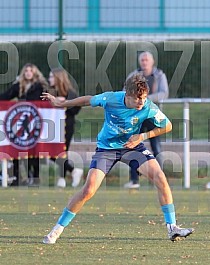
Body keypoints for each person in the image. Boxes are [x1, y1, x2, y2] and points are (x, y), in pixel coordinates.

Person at [41, 73, 194, 244]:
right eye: (138, 99)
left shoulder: (148, 106)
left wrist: (142, 136)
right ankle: (57, 230)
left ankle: (172, 227)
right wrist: (62, 103)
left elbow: (167, 126)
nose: (141, 102)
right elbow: (87, 100)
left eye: (143, 98)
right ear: (127, 95)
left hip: (133, 147)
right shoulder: (112, 98)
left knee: (160, 178)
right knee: (88, 190)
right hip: (106, 149)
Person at [123, 51, 169, 189]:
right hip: (136, 116)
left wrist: (146, 99)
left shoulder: (159, 75)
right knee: (133, 146)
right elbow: (125, 91)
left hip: (152, 116)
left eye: (146, 60)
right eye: (142, 60)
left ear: (152, 61)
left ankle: (159, 180)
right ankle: (134, 180)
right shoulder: (133, 75)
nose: (144, 62)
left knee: (157, 148)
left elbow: (164, 93)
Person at [0, 63, 49, 186]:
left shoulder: (41, 87)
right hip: (21, 122)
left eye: (30, 70)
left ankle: (35, 177)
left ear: (34, 72)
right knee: (18, 149)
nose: (28, 72)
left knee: (35, 150)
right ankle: (18, 177)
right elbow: (5, 97)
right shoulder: (18, 86)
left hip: (37, 123)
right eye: (26, 70)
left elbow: (46, 102)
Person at [48, 68, 83, 188]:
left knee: (62, 151)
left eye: (51, 77)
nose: (49, 79)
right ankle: (73, 170)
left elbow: (76, 109)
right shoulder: (50, 92)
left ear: (58, 78)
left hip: (66, 126)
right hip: (52, 126)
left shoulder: (70, 92)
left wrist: (65, 103)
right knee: (50, 152)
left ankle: (62, 178)